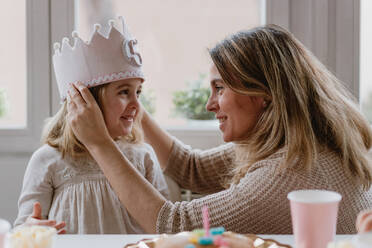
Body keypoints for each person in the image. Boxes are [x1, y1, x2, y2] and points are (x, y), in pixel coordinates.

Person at [66, 24, 372, 234]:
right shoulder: (298, 145)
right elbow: (192, 169)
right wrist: (133, 104)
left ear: (263, 95)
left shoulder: (286, 174)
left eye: (220, 88)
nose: (209, 104)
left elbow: (173, 225)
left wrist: (99, 144)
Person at [14, 18, 169, 234]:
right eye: (124, 92)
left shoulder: (143, 156)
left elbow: (165, 227)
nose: (136, 104)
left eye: (138, 92)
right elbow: (23, 228)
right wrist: (30, 228)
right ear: (86, 102)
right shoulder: (48, 160)